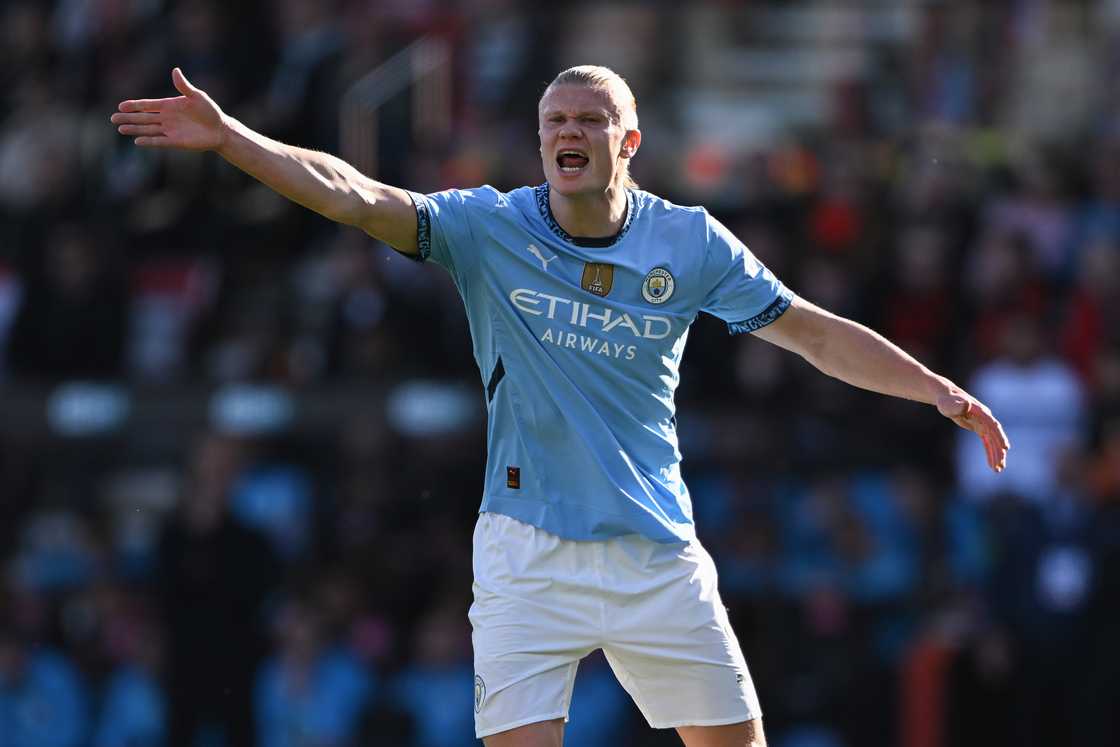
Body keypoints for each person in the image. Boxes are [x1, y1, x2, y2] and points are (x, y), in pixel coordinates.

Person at [112, 64, 1010, 747]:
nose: (568, 133)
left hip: (654, 547)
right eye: (554, 122)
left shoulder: (689, 241)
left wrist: (935, 388)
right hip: (525, 552)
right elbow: (356, 196)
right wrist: (233, 140)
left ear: (629, 142)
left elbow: (813, 332)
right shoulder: (487, 227)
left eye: (590, 120)